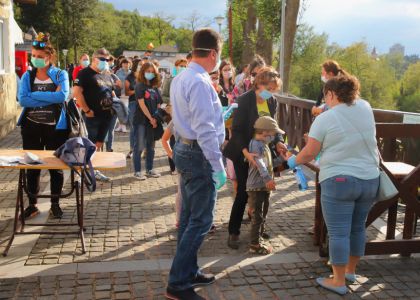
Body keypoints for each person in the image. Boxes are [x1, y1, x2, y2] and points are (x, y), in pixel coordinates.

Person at [287, 74, 380, 295]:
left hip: (339, 181)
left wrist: (291, 160)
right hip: (369, 178)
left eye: (325, 95)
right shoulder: (366, 107)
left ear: (331, 94)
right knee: (358, 228)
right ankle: (350, 271)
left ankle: (338, 281)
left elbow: (310, 152)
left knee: (338, 232)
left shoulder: (325, 118)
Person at [166, 28, 226, 300]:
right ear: (213, 53)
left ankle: (188, 271)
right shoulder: (201, 82)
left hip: (185, 148)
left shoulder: (182, 77)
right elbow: (204, 129)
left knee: (190, 217)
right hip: (198, 153)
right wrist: (218, 164)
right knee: (201, 220)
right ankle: (178, 283)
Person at [223, 67, 287, 250]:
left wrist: (279, 142)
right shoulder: (244, 100)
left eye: (274, 90)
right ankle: (233, 231)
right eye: (270, 89)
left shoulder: (272, 101)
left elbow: (274, 127)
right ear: (259, 84)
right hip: (243, 151)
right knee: (243, 191)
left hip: (262, 152)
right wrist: (246, 153)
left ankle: (257, 227)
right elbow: (237, 130)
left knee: (262, 192)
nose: (272, 93)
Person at [17, 32, 69, 219]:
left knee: (55, 166)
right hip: (31, 127)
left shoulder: (60, 74)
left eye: (40, 57)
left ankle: (55, 203)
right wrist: (49, 97)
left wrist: (35, 96)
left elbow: (62, 96)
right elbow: (23, 100)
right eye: (34, 56)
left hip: (55, 128)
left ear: (49, 57)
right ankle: (32, 205)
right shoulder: (27, 77)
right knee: (32, 167)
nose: (36, 59)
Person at [73, 48, 115, 182]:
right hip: (91, 117)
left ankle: (93, 170)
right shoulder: (84, 73)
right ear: (94, 59)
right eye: (102, 59)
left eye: (107, 60)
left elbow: (111, 92)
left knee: (98, 145)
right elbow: (77, 93)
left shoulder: (106, 74)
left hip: (106, 117)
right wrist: (87, 110)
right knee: (86, 146)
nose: (105, 62)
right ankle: (80, 174)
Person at [247, 116, 286, 255]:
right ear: (265, 132)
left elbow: (269, 164)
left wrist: (281, 159)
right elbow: (259, 163)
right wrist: (268, 179)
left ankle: (259, 235)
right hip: (257, 185)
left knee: (263, 212)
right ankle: (254, 244)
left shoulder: (264, 145)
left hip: (263, 185)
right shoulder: (256, 144)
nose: (274, 137)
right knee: (257, 215)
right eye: (273, 134)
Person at [131, 61, 163, 180]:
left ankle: (149, 169)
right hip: (141, 121)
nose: (150, 74)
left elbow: (159, 103)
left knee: (151, 147)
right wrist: (150, 118)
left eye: (152, 72)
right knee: (139, 146)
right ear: (143, 72)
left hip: (153, 122)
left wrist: (156, 118)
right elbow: (142, 104)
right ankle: (137, 171)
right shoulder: (139, 86)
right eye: (148, 71)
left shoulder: (155, 88)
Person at [125, 58, 142, 159]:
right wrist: (137, 91)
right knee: (133, 128)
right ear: (136, 65)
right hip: (133, 103)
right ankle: (132, 149)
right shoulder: (129, 77)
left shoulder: (144, 77)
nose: (142, 66)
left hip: (144, 104)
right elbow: (127, 92)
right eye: (140, 64)